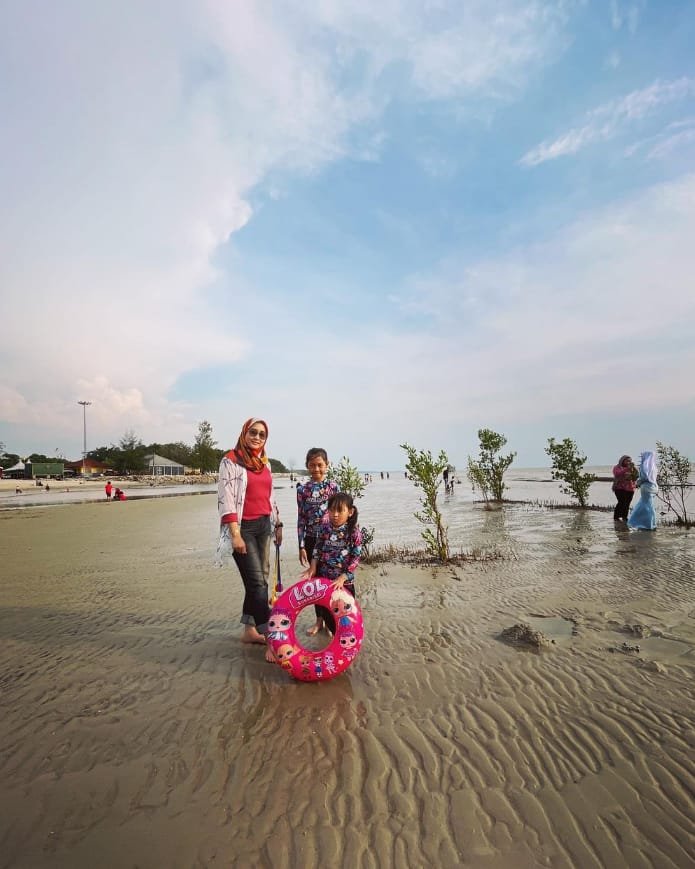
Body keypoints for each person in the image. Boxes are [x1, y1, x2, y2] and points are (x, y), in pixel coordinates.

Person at [218, 418, 282, 660]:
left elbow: (270, 497)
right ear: (244, 433)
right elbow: (227, 499)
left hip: (264, 526)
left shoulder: (264, 464)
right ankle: (272, 640)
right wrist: (235, 534)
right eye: (253, 432)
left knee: (258, 581)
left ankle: (249, 630)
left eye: (262, 434)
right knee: (258, 585)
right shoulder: (231, 461)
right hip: (242, 528)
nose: (257, 437)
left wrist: (278, 523)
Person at [301, 492, 362, 634]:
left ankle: (345, 644)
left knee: (344, 616)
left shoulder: (354, 532)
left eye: (340, 510)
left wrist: (343, 577)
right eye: (332, 510)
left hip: (344, 584)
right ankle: (332, 640)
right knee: (328, 615)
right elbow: (317, 548)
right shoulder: (325, 528)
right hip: (325, 582)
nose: (335, 514)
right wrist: (313, 567)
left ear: (350, 512)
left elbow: (356, 557)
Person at [296, 447, 338, 637]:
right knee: (315, 583)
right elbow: (301, 519)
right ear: (307, 466)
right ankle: (319, 621)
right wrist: (301, 545)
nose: (316, 469)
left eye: (320, 465)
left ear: (327, 465)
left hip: (331, 541)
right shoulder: (302, 489)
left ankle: (331, 620)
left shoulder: (333, 488)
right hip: (312, 540)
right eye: (312, 465)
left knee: (329, 581)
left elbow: (341, 515)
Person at [628, 451, 659, 531]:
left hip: (645, 487)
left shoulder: (645, 467)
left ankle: (638, 522)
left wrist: (637, 483)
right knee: (649, 505)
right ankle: (651, 523)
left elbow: (643, 478)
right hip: (653, 487)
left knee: (644, 505)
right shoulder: (654, 467)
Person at [612, 455, 636, 522]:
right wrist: (627, 469)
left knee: (627, 503)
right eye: (627, 461)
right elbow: (617, 474)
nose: (629, 462)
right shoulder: (617, 467)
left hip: (630, 488)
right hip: (619, 487)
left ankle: (624, 517)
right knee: (621, 502)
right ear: (622, 460)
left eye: (630, 461)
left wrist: (633, 471)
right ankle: (616, 517)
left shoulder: (632, 468)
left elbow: (636, 476)